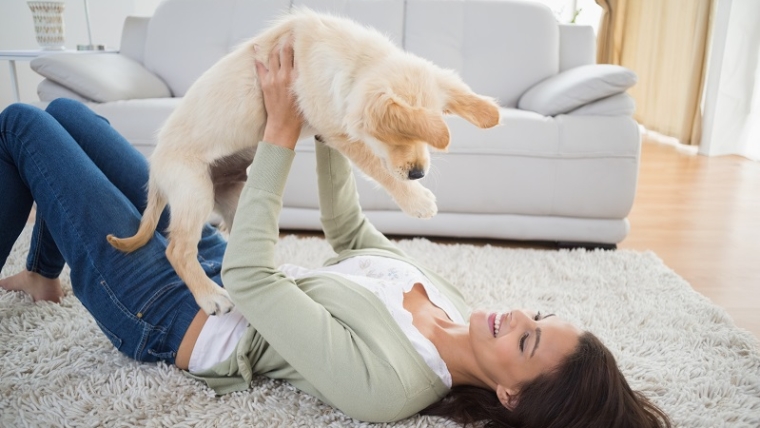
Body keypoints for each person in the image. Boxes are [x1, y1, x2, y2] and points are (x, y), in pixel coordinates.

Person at [0, 42, 671, 428]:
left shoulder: (390, 387)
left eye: (527, 339)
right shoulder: (454, 307)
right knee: (65, 110)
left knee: (24, 126)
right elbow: (350, 233)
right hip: (206, 262)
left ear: (510, 396)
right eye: (542, 316)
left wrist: (281, 137)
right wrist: (328, 120)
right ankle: (42, 272)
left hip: (166, 313)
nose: (518, 314)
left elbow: (255, 282)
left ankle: (46, 266)